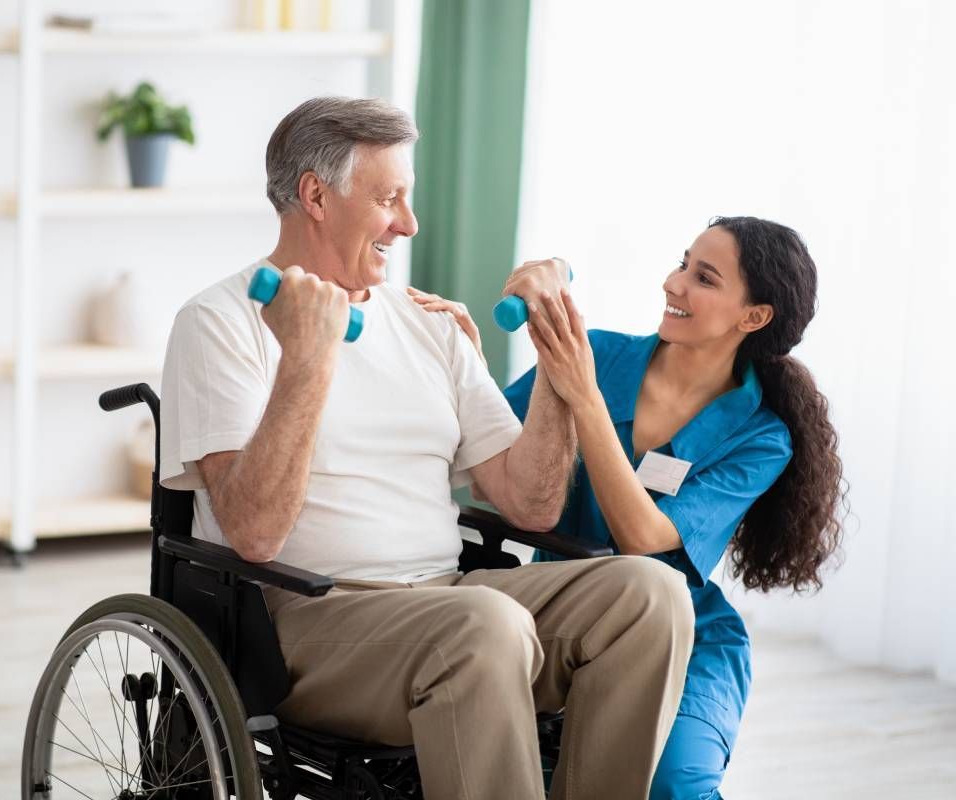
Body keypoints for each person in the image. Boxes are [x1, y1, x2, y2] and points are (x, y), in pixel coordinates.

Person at [158, 96, 695, 800]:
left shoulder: (427, 323)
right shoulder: (219, 321)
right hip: (307, 624)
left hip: (450, 597)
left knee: (653, 594)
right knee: (484, 624)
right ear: (316, 197)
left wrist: (557, 364)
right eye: (389, 200)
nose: (408, 225)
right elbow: (254, 533)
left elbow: (530, 504)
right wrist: (308, 361)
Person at [413, 216, 845, 799]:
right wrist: (469, 363)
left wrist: (583, 397)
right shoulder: (597, 354)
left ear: (754, 317)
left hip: (685, 636)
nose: (674, 283)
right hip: (562, 611)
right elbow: (497, 476)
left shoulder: (761, 437)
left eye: (704, 278)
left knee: (672, 784)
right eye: (682, 262)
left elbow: (642, 537)